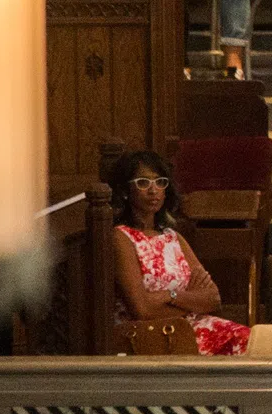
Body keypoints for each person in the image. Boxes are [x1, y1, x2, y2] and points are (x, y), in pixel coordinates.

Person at [106, 150, 249, 355]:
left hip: (191, 326)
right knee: (243, 346)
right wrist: (190, 301)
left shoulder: (172, 237)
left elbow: (213, 299)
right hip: (152, 335)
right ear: (126, 190)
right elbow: (142, 310)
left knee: (255, 342)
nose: (153, 190)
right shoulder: (121, 237)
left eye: (159, 182)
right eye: (143, 182)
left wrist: (168, 295)